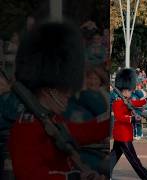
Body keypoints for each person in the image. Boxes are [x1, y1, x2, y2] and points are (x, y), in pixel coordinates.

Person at [9, 21, 109, 180]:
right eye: (63, 88)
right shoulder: (26, 126)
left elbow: (83, 132)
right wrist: (74, 177)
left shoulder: (52, 118)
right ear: (48, 89)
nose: (69, 93)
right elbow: (30, 174)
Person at [109, 68, 147, 180]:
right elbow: (120, 118)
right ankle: (146, 176)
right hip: (122, 135)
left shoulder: (127, 101)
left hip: (123, 134)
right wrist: (133, 118)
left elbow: (138, 103)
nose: (132, 91)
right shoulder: (118, 102)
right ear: (124, 90)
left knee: (114, 156)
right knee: (133, 158)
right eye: (130, 90)